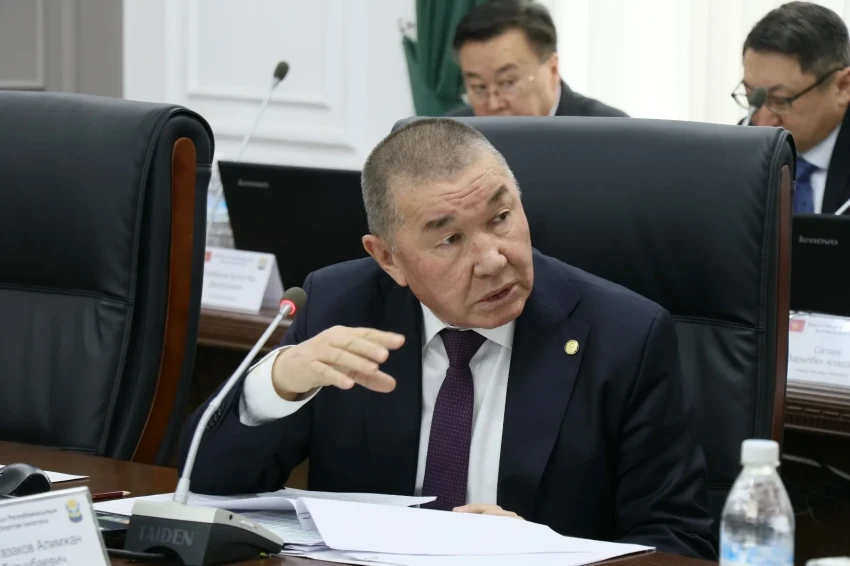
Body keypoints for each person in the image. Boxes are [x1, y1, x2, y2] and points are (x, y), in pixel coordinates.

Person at [179, 118, 715, 559]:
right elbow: (201, 485)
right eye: (450, 239)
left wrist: (543, 554)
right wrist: (276, 385)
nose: (492, 259)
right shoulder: (340, 306)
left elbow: (678, 544)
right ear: (388, 258)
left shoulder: (625, 337)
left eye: (501, 217)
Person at [737, 1, 850, 214]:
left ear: (843, 86)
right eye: (754, 98)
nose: (762, 122)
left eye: (780, 101)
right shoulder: (740, 151)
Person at [447, 1, 627, 118]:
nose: (493, 105)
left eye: (507, 82)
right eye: (479, 87)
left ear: (552, 69)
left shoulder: (610, 132)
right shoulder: (450, 136)